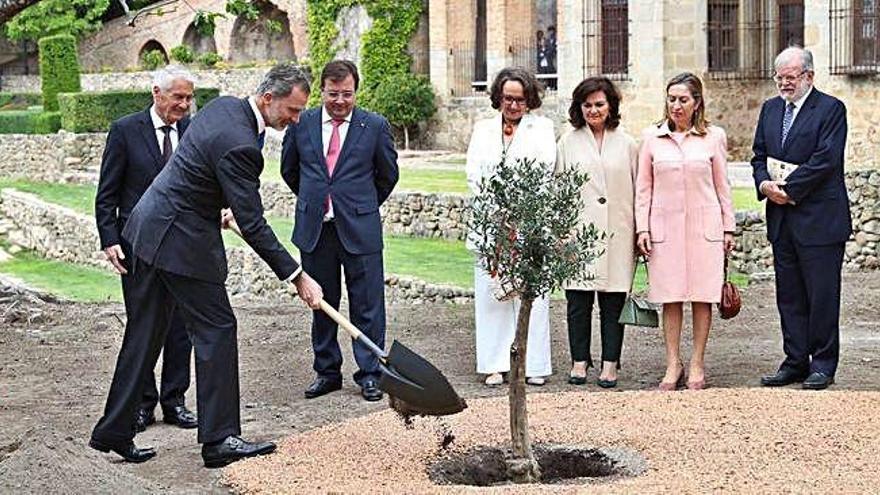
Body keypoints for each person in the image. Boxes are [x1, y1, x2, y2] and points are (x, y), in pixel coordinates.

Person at [89, 63, 324, 468]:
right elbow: (253, 222)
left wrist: (210, 205)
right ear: (268, 99)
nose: (296, 118)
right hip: (180, 244)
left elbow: (196, 170)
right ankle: (220, 440)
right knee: (217, 328)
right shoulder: (241, 145)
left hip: (149, 228)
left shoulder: (223, 107)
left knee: (143, 334)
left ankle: (113, 431)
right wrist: (297, 275)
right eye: (293, 109)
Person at [280, 60, 399, 402]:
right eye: (333, 94)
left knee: (368, 305)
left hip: (360, 229)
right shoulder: (301, 124)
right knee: (320, 303)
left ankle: (370, 373)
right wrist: (316, 201)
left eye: (347, 94)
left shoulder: (373, 126)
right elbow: (291, 171)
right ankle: (327, 372)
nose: (340, 102)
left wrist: (359, 205)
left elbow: (387, 175)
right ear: (322, 91)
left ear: (355, 92)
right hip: (316, 230)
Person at [94, 65, 198, 434]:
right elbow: (107, 193)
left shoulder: (191, 131)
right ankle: (142, 404)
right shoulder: (125, 130)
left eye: (189, 98)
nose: (185, 105)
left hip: (183, 245)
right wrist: (110, 239)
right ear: (157, 93)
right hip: (136, 245)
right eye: (178, 97)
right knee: (143, 324)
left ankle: (175, 401)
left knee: (181, 327)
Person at [753, 47, 850, 391]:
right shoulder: (770, 109)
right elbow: (759, 155)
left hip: (820, 220)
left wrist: (789, 189)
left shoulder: (831, 109)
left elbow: (826, 160)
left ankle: (823, 363)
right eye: (779, 77)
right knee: (789, 295)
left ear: (809, 75)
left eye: (790, 77)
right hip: (781, 219)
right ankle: (795, 361)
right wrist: (765, 184)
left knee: (822, 295)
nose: (783, 83)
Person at [635, 72, 735, 391]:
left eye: (683, 100)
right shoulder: (651, 138)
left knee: (703, 297)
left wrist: (729, 227)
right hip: (665, 230)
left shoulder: (713, 137)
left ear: (697, 103)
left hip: (705, 229)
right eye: (672, 99)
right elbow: (643, 189)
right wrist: (642, 228)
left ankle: (697, 362)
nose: (676, 106)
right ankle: (672, 363)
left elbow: (723, 187)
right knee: (671, 297)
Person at [466, 67, 555, 387]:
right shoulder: (482, 129)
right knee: (492, 296)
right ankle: (494, 363)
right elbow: (475, 176)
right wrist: (497, 216)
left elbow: (544, 174)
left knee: (531, 295)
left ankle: (533, 365)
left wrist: (520, 216)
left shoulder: (542, 129)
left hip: (529, 224)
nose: (513, 105)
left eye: (519, 99)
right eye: (507, 99)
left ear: (529, 100)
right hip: (491, 225)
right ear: (498, 99)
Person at [556, 76, 638, 388]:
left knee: (613, 302)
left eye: (599, 104)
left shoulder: (627, 143)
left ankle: (610, 364)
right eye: (587, 105)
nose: (593, 110)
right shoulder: (568, 141)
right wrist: (561, 232)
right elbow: (557, 188)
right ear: (579, 107)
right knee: (578, 300)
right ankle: (579, 361)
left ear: (611, 106)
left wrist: (640, 230)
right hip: (578, 232)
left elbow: (640, 189)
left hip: (618, 231)